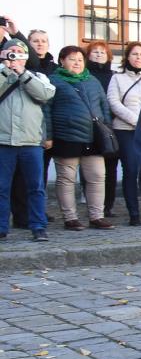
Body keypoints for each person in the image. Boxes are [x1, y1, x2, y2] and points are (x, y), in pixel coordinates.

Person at [46, 45, 115, 230]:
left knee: (97, 176)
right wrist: (49, 135)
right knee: (67, 178)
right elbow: (46, 110)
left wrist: (107, 127)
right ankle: (70, 218)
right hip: (66, 136)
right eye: (71, 59)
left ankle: (96, 216)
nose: (76, 63)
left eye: (79, 59)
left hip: (93, 137)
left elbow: (104, 105)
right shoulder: (53, 81)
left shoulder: (92, 80)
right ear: (62, 61)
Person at [0, 37, 54, 241]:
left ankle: (38, 227)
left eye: (18, 52)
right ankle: (1, 227)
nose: (14, 56)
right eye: (10, 52)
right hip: (3, 141)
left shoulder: (37, 75)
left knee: (36, 187)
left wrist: (22, 74)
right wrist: (6, 70)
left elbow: (46, 95)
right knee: (2, 188)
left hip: (31, 142)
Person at [106, 41, 141, 225]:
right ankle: (134, 214)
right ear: (127, 57)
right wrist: (136, 121)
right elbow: (113, 103)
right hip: (125, 131)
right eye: (134, 54)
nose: (138, 58)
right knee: (130, 170)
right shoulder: (117, 78)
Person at [84, 40, 119, 214]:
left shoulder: (114, 76)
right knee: (89, 168)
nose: (99, 54)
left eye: (102, 52)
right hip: (89, 126)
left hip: (110, 126)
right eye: (95, 51)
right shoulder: (84, 75)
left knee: (110, 167)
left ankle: (108, 205)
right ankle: (92, 203)